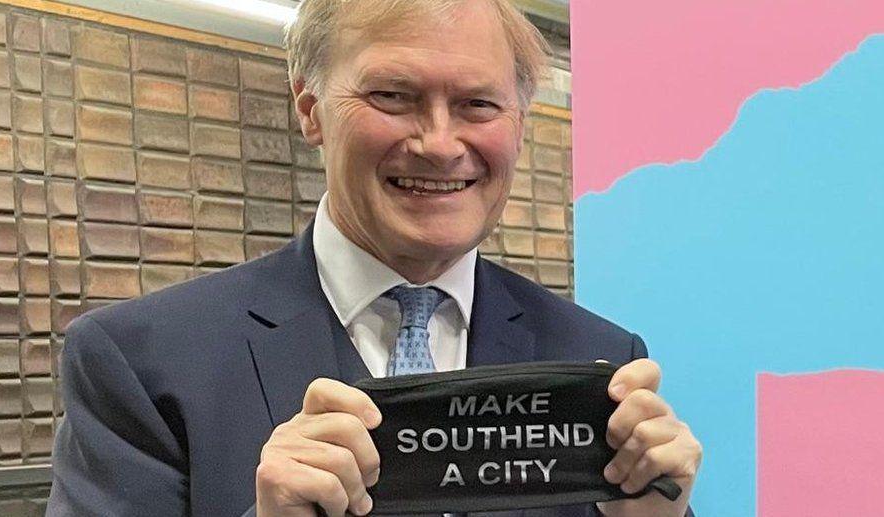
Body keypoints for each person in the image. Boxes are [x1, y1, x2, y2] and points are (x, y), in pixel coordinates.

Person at [47, 0, 702, 515]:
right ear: (310, 109)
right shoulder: (140, 362)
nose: (439, 143)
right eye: (393, 96)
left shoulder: (600, 359)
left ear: (519, 126)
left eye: (477, 104)